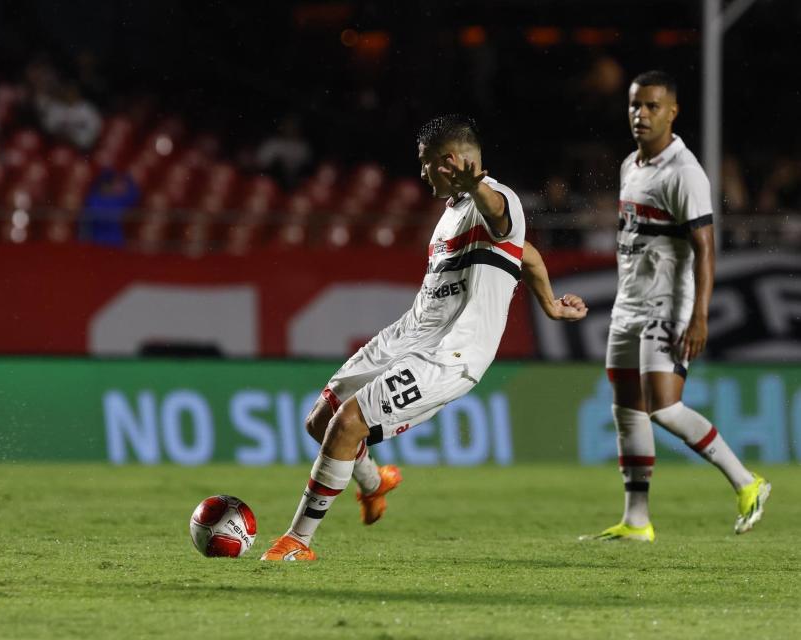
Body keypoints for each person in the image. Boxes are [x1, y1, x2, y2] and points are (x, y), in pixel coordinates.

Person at [261, 114, 588, 561]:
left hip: (452, 352)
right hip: (407, 335)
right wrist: (549, 302)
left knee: (348, 425)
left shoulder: (497, 199)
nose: (420, 173)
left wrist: (477, 188)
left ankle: (298, 541)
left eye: (425, 163)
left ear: (450, 162)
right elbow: (525, 252)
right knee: (320, 420)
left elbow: (501, 217)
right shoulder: (451, 214)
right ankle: (375, 484)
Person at [584, 71, 770, 543]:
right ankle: (637, 520)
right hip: (629, 304)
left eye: (651, 106)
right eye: (634, 106)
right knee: (627, 409)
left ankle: (747, 482)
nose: (640, 115)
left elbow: (706, 248)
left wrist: (700, 314)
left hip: (668, 305)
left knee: (664, 408)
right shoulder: (632, 164)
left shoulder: (684, 172)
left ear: (672, 112)